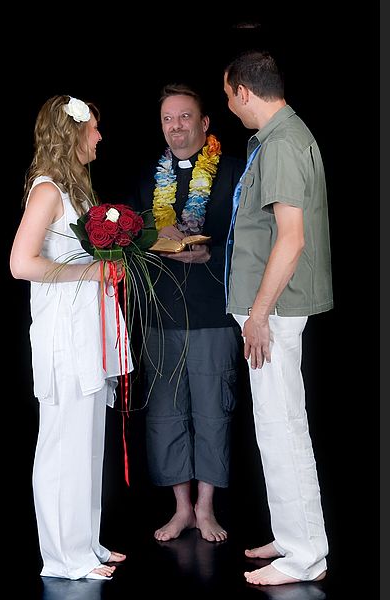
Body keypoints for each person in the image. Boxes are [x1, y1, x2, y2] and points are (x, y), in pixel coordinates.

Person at [223, 51, 333, 585]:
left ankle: (305, 555)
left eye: (227, 95)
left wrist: (259, 315)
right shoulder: (280, 138)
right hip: (272, 309)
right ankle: (295, 538)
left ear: (244, 91)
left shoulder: (284, 143)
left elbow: (291, 238)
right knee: (279, 426)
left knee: (282, 428)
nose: (228, 105)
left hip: (274, 311)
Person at [10, 95, 129, 580]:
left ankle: (85, 544)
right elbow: (21, 264)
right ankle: (62, 559)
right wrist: (89, 274)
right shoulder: (47, 191)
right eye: (94, 129)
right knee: (63, 445)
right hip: (64, 334)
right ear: (73, 133)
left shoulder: (74, 190)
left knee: (87, 443)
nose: (100, 137)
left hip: (88, 331)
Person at [129, 84, 245, 543]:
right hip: (161, 314)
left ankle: (206, 507)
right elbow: (137, 241)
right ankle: (180, 508)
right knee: (165, 413)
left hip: (214, 312)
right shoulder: (147, 179)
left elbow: (250, 244)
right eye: (167, 119)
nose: (175, 126)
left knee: (213, 411)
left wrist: (209, 254)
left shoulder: (234, 174)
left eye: (184, 117)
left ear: (204, 123)